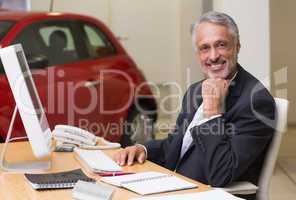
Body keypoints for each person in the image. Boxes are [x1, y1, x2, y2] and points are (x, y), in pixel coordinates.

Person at [114, 11, 275, 200]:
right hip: (172, 187)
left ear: (237, 46)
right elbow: (174, 146)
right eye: (205, 48)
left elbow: (221, 175)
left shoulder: (256, 101)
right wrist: (142, 149)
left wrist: (213, 112)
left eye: (221, 45)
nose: (213, 56)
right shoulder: (195, 91)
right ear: (198, 54)